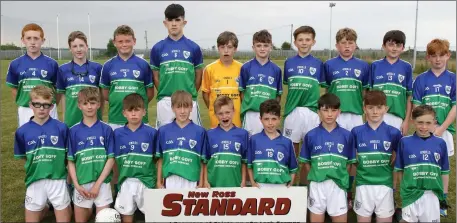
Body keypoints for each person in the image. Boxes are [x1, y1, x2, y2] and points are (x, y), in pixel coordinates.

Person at [14, 85, 71, 222]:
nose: (41, 108)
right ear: (30, 104)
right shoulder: (22, 131)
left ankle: (58, 204)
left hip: (57, 179)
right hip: (35, 179)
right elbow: (24, 156)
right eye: (37, 104)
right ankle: (44, 206)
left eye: (46, 105)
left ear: (52, 107)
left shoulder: (61, 128)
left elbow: (67, 156)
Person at [299, 93, 356, 223]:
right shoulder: (311, 135)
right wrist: (316, 175)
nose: (329, 114)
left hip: (338, 185)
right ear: (319, 112)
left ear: (339, 112)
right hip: (317, 185)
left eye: (333, 110)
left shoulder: (347, 136)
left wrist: (341, 176)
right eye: (325, 110)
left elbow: (350, 163)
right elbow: (307, 163)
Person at [282, 25, 324, 186]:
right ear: (295, 42)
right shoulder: (289, 63)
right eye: (300, 40)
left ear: (313, 42)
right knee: (291, 152)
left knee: (309, 154)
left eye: (307, 39)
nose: (304, 43)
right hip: (292, 112)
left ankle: (306, 188)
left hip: (312, 112)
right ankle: (289, 187)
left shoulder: (319, 64)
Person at [351, 90, 402, 222]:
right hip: (363, 185)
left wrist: (394, 185)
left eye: (379, 107)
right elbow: (352, 159)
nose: (375, 112)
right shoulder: (356, 132)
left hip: (385, 185)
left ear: (386, 109)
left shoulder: (394, 133)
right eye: (370, 107)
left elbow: (398, 160)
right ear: (364, 108)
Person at [150, 3, 204, 128]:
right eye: (170, 20)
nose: (174, 24)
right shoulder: (158, 48)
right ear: (165, 23)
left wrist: (188, 95)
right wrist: (166, 92)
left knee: (192, 138)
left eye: (177, 20)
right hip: (165, 100)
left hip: (189, 100)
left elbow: (198, 76)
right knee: (165, 140)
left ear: (184, 22)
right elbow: (156, 77)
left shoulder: (193, 48)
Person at [394, 105, 450, 222]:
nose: (424, 127)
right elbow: (399, 169)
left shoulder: (441, 143)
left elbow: (444, 171)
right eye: (420, 122)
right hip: (411, 193)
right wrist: (404, 190)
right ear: (413, 121)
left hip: (432, 194)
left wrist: (444, 194)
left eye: (428, 123)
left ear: (434, 122)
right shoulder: (404, 142)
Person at [67, 87, 114, 222]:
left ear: (98, 105)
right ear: (79, 105)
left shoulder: (106, 129)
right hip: (82, 184)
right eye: (85, 103)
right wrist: (76, 185)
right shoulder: (73, 131)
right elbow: (71, 161)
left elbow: (111, 159)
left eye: (93, 103)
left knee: (104, 219)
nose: (89, 107)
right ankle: (88, 208)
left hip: (102, 184)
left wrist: (97, 185)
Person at [113, 93, 158, 223]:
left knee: (152, 216)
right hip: (126, 181)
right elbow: (115, 158)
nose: (133, 114)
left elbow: (156, 158)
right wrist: (116, 177)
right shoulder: (117, 134)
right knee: (127, 216)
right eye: (130, 110)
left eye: (137, 110)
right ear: (124, 113)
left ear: (144, 112)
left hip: (147, 181)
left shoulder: (152, 133)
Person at [99, 25, 154, 130]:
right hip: (115, 119)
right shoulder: (108, 65)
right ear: (114, 42)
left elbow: (149, 94)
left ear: (134, 41)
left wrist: (137, 105)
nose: (124, 44)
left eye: (128, 41)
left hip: (139, 120)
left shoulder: (143, 64)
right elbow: (105, 94)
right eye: (120, 41)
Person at [6, 23, 59, 127]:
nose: (32, 42)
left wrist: (50, 103)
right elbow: (14, 89)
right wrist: (24, 102)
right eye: (29, 38)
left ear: (42, 40)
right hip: (26, 109)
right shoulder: (15, 64)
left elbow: (57, 89)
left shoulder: (52, 64)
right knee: (27, 140)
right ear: (23, 40)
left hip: (48, 108)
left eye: (36, 38)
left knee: (51, 140)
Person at [412, 38, 456, 158]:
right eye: (433, 55)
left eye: (441, 55)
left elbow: (455, 107)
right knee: (423, 164)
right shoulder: (420, 79)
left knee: (442, 167)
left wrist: (441, 128)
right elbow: (417, 107)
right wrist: (427, 125)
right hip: (424, 129)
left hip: (445, 129)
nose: (438, 59)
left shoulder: (453, 79)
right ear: (428, 57)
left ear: (448, 55)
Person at [155, 90, 207, 189]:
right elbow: (161, 159)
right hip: (170, 180)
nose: (182, 111)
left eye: (186, 107)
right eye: (179, 107)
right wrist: (158, 182)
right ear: (173, 108)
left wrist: (201, 183)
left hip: (191, 180)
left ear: (191, 107)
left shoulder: (200, 132)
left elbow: (202, 161)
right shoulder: (163, 131)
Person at [323, 27, 370, 131]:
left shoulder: (363, 65)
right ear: (337, 46)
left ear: (355, 45)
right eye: (343, 43)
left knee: (355, 145)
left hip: (356, 113)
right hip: (335, 113)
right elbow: (327, 91)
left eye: (350, 42)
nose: (347, 46)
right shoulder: (328, 64)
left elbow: (365, 92)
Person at [239, 30, 282, 136]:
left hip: (268, 116)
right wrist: (251, 104)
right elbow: (242, 93)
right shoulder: (246, 67)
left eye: (265, 45)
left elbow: (278, 96)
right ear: (253, 47)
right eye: (259, 45)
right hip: (250, 114)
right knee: (249, 146)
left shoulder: (276, 70)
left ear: (271, 47)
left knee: (267, 143)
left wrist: (271, 111)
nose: (262, 49)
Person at [247, 99, 298, 188]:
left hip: (281, 187)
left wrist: (290, 185)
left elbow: (293, 169)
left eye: (274, 119)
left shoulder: (287, 142)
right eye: (266, 119)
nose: (270, 123)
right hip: (260, 186)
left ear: (279, 119)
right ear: (260, 119)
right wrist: (252, 183)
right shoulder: (254, 140)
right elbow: (249, 165)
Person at [57, 31, 103, 127]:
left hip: (93, 121)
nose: (78, 49)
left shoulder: (97, 68)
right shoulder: (63, 69)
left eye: (81, 45)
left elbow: (101, 96)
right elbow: (63, 97)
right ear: (70, 49)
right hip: (71, 121)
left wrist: (100, 115)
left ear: (86, 46)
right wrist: (65, 117)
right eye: (74, 46)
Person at [370, 30, 413, 135]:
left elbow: (409, 97)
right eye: (390, 44)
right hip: (376, 116)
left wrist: (406, 121)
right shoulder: (375, 66)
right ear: (384, 46)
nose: (394, 48)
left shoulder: (406, 67)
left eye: (398, 45)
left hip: (397, 117)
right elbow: (368, 95)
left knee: (394, 149)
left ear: (403, 48)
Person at [204, 96, 249, 188]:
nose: (224, 116)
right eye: (220, 113)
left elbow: (244, 161)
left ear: (233, 111)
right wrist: (205, 181)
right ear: (215, 115)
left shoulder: (243, 134)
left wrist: (243, 181)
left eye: (227, 112)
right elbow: (205, 161)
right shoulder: (209, 134)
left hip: (236, 184)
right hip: (213, 185)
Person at [201, 31, 243, 128]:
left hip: (236, 120)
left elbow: (243, 95)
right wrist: (214, 108)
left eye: (229, 47)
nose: (226, 51)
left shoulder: (242, 69)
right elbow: (205, 94)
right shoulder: (209, 69)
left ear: (235, 49)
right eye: (222, 47)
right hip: (216, 121)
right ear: (218, 48)